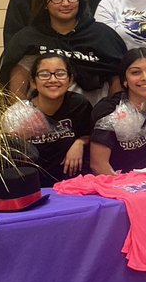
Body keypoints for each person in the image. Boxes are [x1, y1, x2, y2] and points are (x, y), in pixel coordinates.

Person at [0, 0, 126, 103]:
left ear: (79, 0)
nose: (65, 3)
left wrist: (110, 111)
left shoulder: (102, 35)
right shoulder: (28, 38)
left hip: (94, 117)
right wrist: (23, 117)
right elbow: (16, 89)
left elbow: (116, 75)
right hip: (40, 118)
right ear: (45, 3)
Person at [89, 48, 146, 175]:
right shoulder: (108, 110)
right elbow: (98, 164)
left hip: (144, 181)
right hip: (110, 181)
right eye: (136, 72)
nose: (145, 77)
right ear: (125, 80)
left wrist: (145, 183)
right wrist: (125, 190)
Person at [20, 53, 92, 186]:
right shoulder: (21, 113)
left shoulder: (79, 105)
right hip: (33, 187)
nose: (53, 80)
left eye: (60, 74)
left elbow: (90, 135)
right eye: (44, 74)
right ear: (33, 82)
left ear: (70, 80)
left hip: (72, 185)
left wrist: (79, 143)